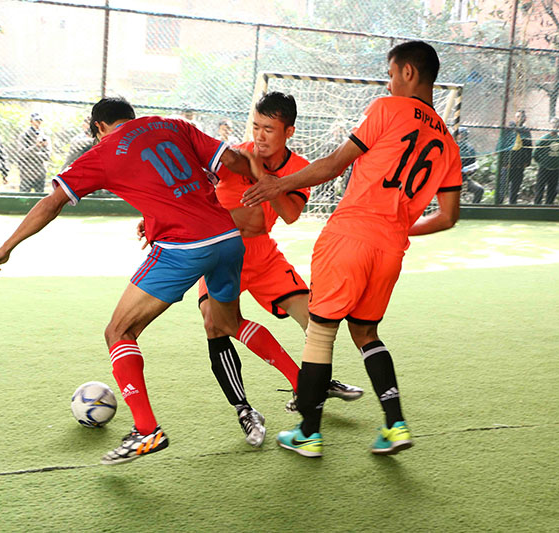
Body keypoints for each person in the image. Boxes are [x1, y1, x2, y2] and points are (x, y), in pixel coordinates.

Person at [0, 97, 264, 465]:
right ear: (130, 117)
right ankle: (303, 386)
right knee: (228, 323)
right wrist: (265, 180)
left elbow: (52, 203)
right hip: (228, 237)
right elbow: (234, 160)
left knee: (118, 332)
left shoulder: (103, 151)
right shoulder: (171, 124)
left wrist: (6, 247)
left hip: (183, 247)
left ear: (99, 126)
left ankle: (147, 430)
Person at [242, 41, 462, 458]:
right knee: (365, 333)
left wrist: (279, 184)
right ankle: (395, 425)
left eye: (391, 74)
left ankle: (308, 433)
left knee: (321, 331)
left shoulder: (387, 108)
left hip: (348, 237)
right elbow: (448, 216)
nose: (389, 83)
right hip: (390, 250)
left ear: (408, 73)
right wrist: (398, 229)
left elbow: (334, 164)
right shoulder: (448, 142)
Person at [190, 92, 363, 447]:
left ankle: (315, 382)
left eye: (269, 129)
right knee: (214, 324)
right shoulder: (233, 155)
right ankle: (247, 408)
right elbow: (192, 186)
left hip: (263, 254)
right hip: (222, 253)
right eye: (256, 126)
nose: (260, 135)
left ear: (289, 132)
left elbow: (291, 213)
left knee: (316, 320)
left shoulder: (300, 166)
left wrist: (267, 182)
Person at [495, 110, 532, 204]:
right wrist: (503, 162)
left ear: (525, 119)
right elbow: (501, 146)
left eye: (522, 117)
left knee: (515, 189)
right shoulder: (508, 130)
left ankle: (512, 205)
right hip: (507, 165)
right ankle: (498, 205)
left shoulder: (525, 132)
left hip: (519, 165)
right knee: (502, 189)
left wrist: (527, 162)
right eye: (518, 117)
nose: (520, 119)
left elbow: (529, 148)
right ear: (515, 118)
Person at [533, 118, 559, 204]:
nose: (555, 125)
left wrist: (557, 163)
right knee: (540, 188)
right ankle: (537, 206)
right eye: (553, 123)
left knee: (552, 191)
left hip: (555, 169)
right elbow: (535, 154)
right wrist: (541, 162)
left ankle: (548, 206)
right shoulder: (544, 139)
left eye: (557, 123)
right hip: (544, 168)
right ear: (549, 124)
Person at [16, 112, 51, 193]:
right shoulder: (24, 136)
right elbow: (22, 154)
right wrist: (36, 147)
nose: (38, 122)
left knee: (39, 197)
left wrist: (31, 154)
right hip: (26, 172)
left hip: (40, 173)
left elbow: (47, 156)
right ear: (31, 121)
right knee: (23, 197)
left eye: (40, 120)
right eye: (36, 120)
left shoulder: (45, 137)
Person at [458, 127, 483, 203]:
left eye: (464, 134)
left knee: (479, 190)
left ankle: (473, 208)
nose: (462, 136)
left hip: (463, 179)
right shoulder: (450, 145)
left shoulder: (469, 148)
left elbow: (473, 165)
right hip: (449, 180)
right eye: (460, 134)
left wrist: (469, 170)